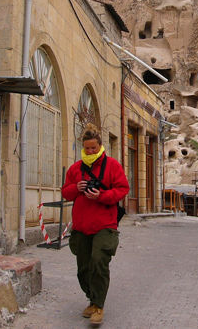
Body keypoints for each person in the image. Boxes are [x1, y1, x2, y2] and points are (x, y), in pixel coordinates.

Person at [61, 123, 129, 326]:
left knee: (99, 262)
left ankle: (99, 306)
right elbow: (65, 192)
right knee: (83, 268)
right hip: (81, 226)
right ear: (83, 147)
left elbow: (123, 189)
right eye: (87, 148)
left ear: (100, 146)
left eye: (93, 148)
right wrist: (76, 187)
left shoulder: (112, 166)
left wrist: (102, 195)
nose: (90, 151)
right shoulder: (75, 169)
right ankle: (92, 299)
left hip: (105, 225)